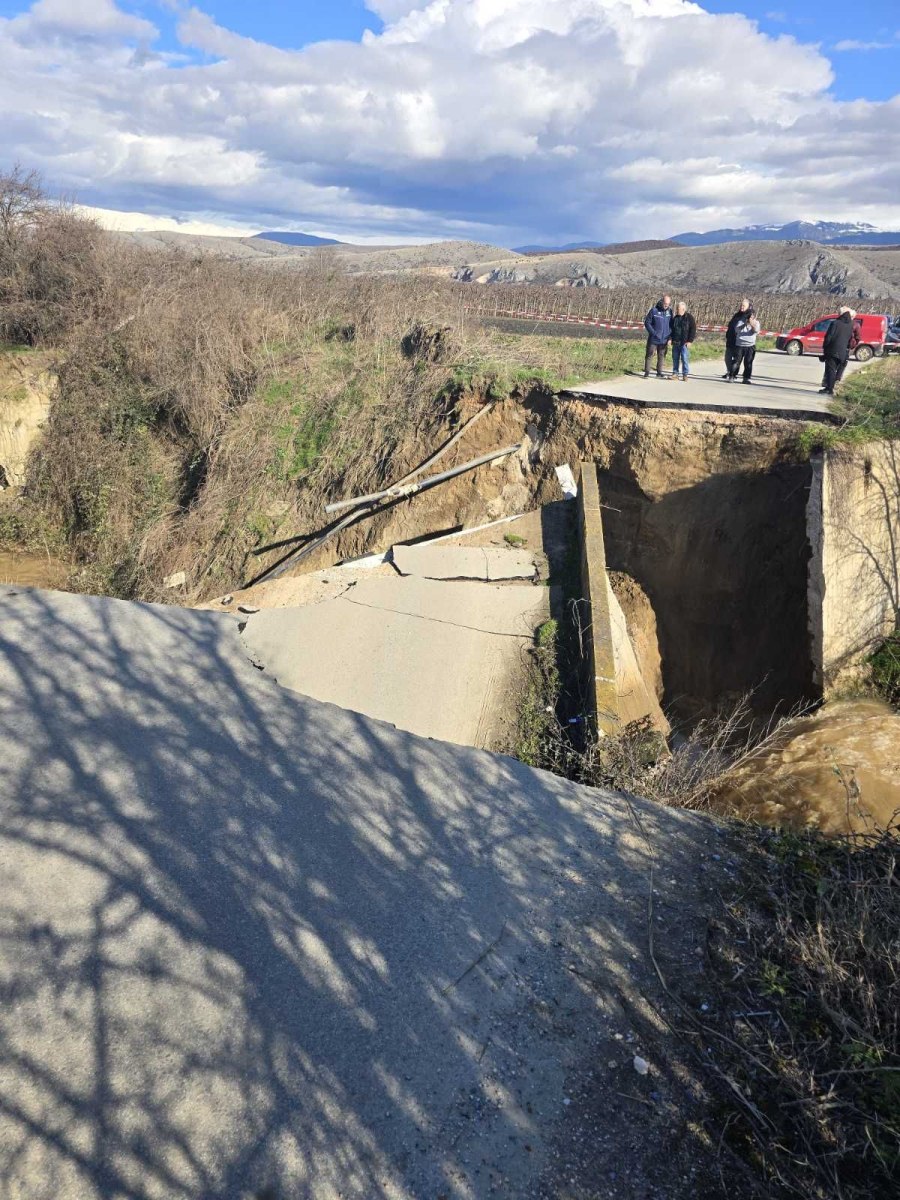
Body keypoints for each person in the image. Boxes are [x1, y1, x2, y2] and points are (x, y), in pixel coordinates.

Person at [820, 307, 856, 395]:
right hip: (843, 350)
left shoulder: (835, 323)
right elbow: (850, 338)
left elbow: (829, 337)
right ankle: (830, 387)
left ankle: (829, 389)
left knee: (831, 369)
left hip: (832, 349)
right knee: (835, 369)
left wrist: (825, 347)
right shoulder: (851, 325)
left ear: (841, 314)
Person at [643, 294, 672, 378]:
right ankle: (647, 372)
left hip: (664, 339)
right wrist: (653, 333)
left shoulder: (670, 312)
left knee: (662, 355)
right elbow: (647, 323)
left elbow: (671, 325)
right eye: (665, 303)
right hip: (654, 338)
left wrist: (669, 336)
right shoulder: (654, 310)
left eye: (668, 304)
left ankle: (659, 372)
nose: (666, 305)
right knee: (649, 354)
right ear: (662, 301)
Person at [723, 297, 750, 379]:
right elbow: (731, 325)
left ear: (748, 307)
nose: (742, 307)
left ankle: (733, 374)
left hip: (739, 341)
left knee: (736, 360)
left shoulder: (748, 316)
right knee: (727, 358)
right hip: (730, 340)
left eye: (744, 306)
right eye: (741, 305)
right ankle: (729, 371)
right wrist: (727, 335)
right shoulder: (736, 315)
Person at [732, 308, 761, 383]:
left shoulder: (756, 322)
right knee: (736, 361)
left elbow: (756, 331)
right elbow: (736, 330)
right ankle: (732, 376)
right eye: (748, 316)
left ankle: (746, 378)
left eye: (752, 316)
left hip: (750, 345)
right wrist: (745, 324)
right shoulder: (740, 322)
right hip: (739, 345)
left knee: (748, 362)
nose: (750, 318)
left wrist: (751, 324)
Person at [670, 301, 696, 380]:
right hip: (675, 342)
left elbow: (693, 329)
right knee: (675, 359)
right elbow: (671, 330)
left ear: (683, 309)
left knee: (684, 359)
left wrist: (690, 341)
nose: (677, 310)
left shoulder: (689, 318)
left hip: (684, 343)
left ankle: (685, 374)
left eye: (678, 308)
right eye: (677, 308)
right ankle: (675, 374)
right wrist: (670, 338)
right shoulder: (675, 318)